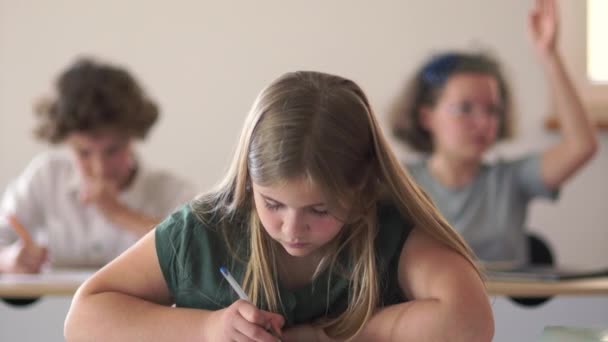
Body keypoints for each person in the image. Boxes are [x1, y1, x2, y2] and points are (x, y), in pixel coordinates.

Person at [65, 71, 493, 341]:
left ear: (362, 191)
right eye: (273, 204)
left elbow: (469, 323)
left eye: (319, 211)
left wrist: (324, 335)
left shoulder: (387, 228)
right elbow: (83, 320)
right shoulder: (203, 230)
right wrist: (208, 328)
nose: (292, 228)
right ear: (249, 184)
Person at [389, 0, 597, 264]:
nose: (484, 122)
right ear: (426, 117)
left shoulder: (511, 180)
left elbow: (582, 145)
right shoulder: (399, 183)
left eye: (492, 110)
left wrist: (549, 56)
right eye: (465, 108)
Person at [0, 58, 196, 273]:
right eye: (83, 153)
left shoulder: (171, 191)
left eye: (112, 151)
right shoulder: (45, 177)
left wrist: (118, 212)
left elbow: (196, 257)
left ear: (132, 138)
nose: (100, 168)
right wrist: (8, 259)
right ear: (66, 142)